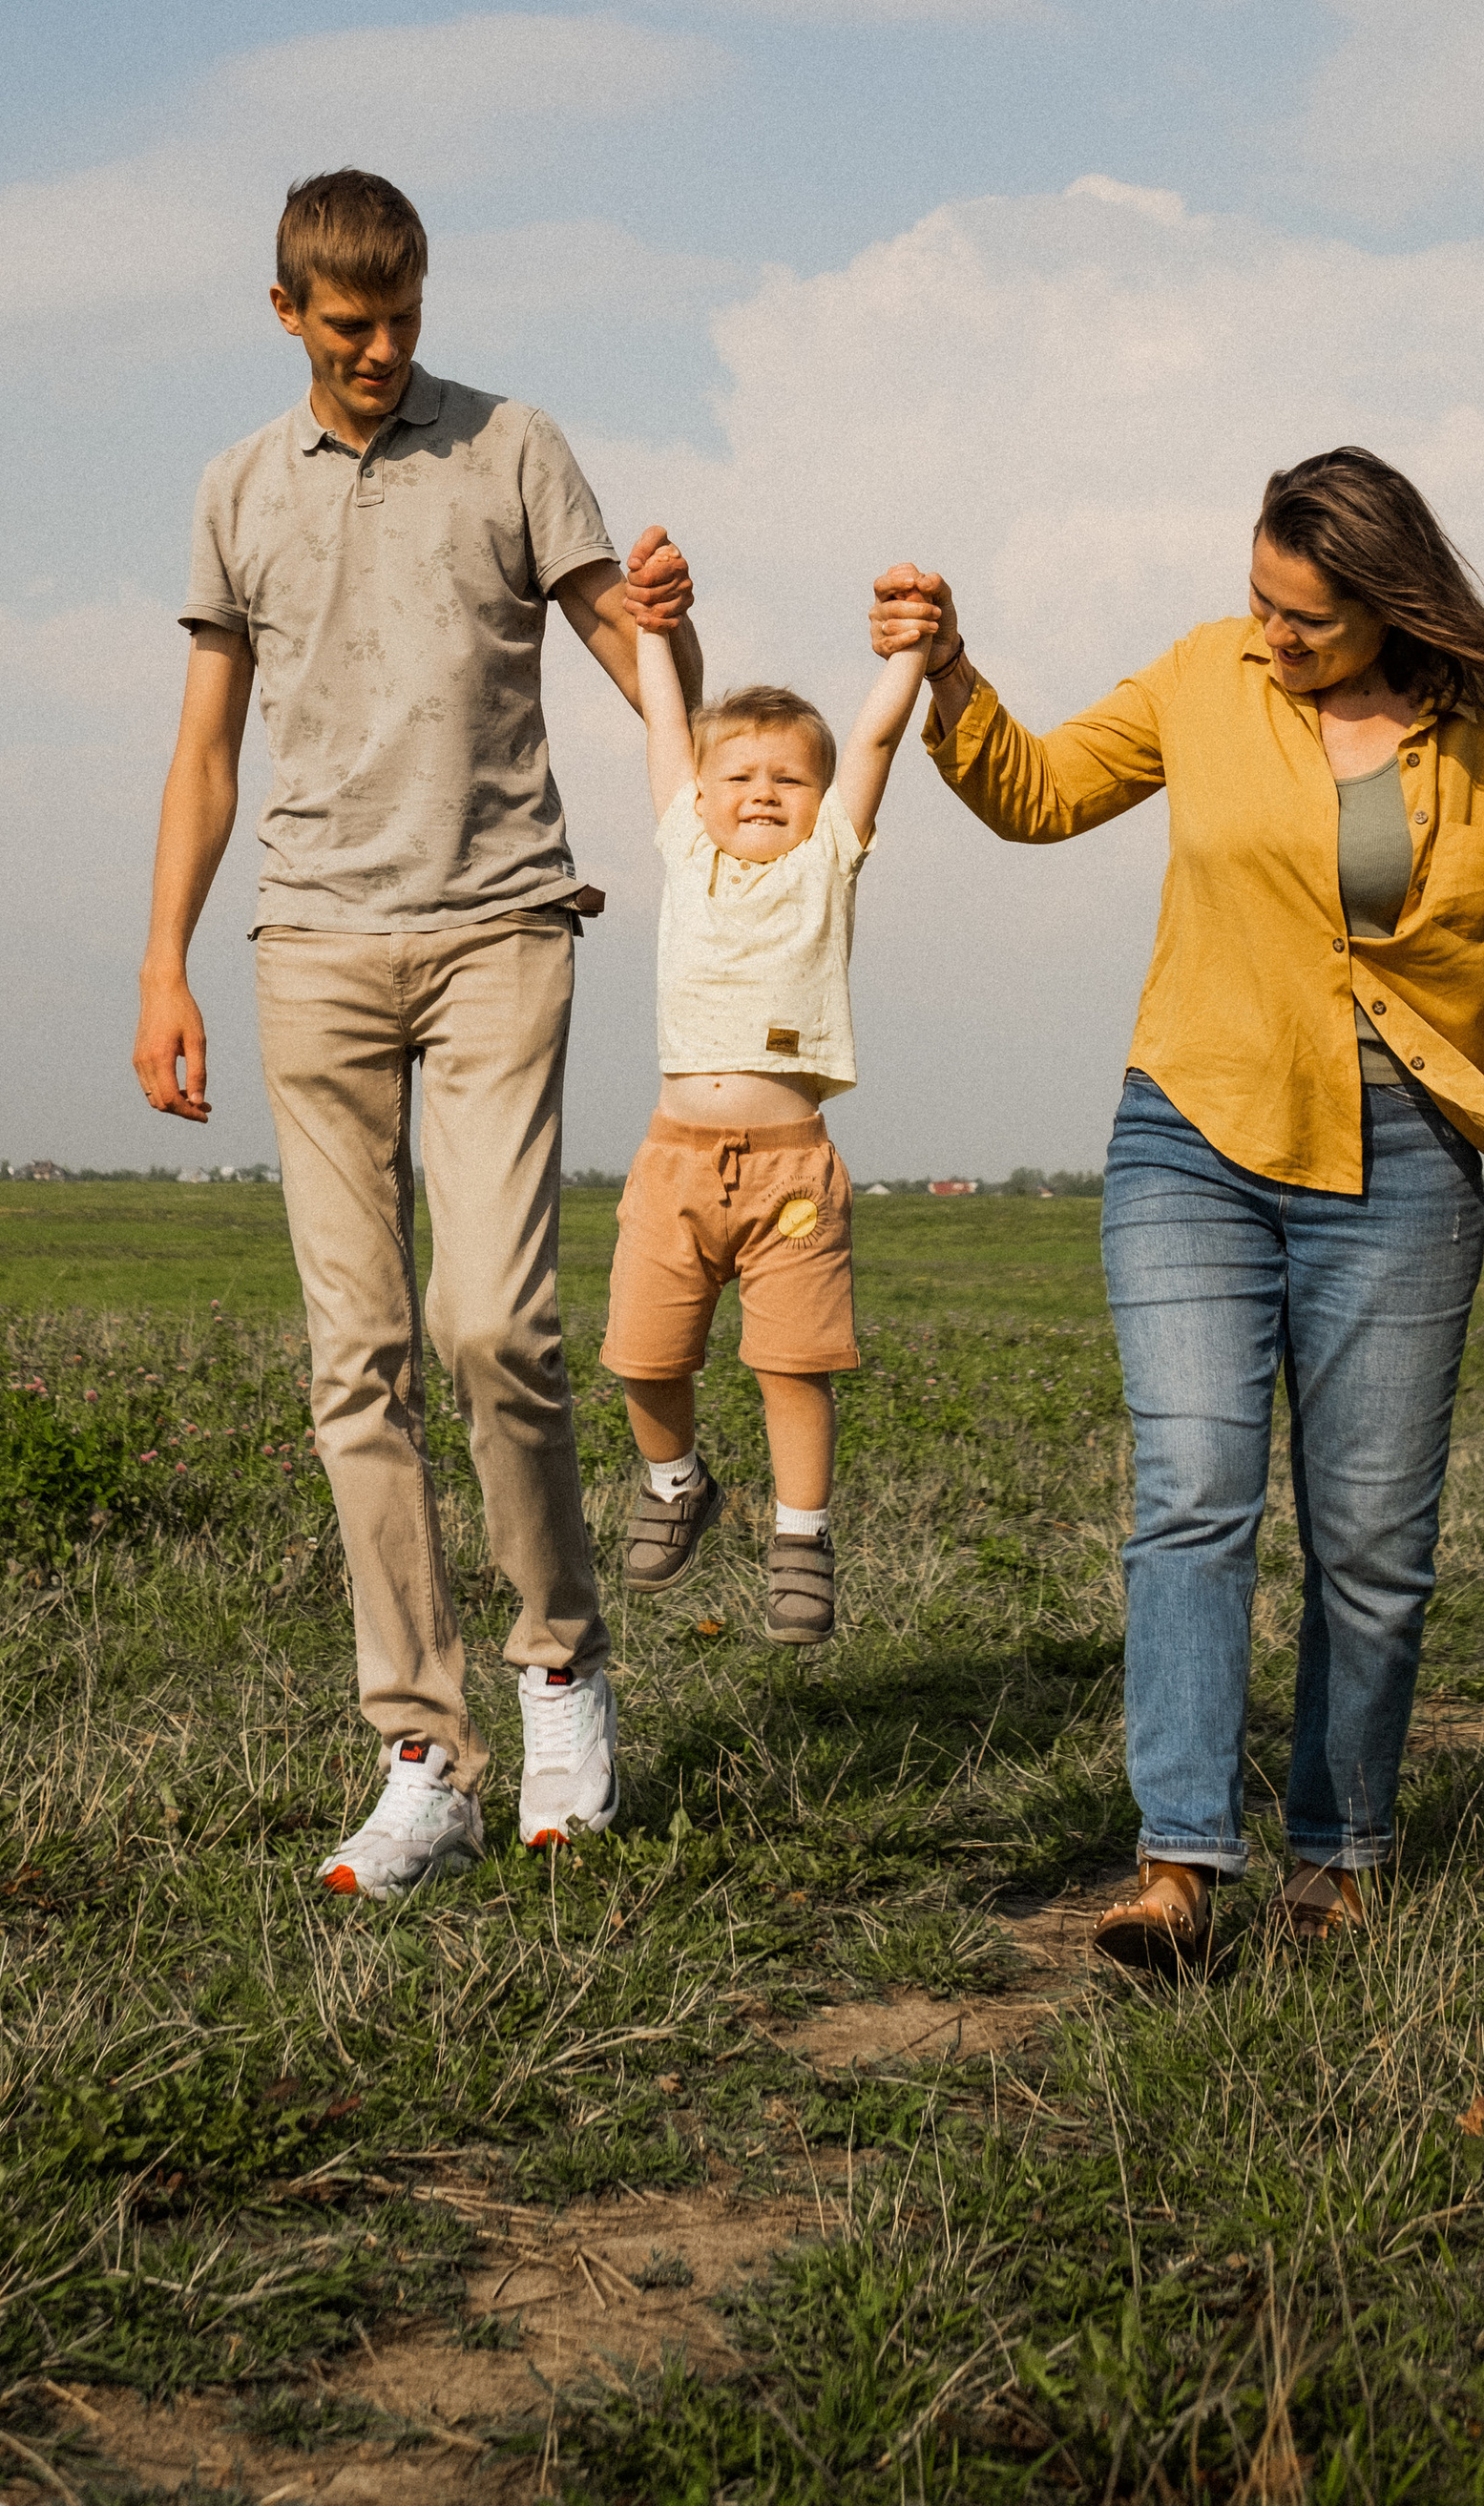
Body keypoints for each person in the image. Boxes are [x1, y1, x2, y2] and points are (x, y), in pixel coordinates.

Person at [871, 447, 1484, 1968]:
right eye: (1261, 603)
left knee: (1369, 1541)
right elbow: (1036, 792)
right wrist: (955, 672)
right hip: (1196, 1135)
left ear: (1393, 606)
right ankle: (1175, 1864)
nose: (1276, 638)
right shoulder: (1202, 679)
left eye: (1310, 621)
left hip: (1411, 1162)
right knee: (1196, 1493)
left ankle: (1338, 1857)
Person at [134, 167, 699, 1899]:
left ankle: (559, 1666)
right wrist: (164, 963)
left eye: (405, 317)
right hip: (312, 943)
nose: (382, 351)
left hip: (500, 929)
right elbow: (209, 748)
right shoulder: (237, 488)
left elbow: (632, 650)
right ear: (289, 311)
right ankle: (422, 1760)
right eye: (349, 323)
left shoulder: (516, 448)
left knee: (492, 1325)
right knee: (353, 1356)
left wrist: (678, 635)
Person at [605, 631, 930, 1644]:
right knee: (643, 1359)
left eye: (788, 778)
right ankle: (674, 1483)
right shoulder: (685, 851)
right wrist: (655, 632)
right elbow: (666, 724)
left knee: (793, 1365)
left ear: (820, 801)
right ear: (697, 797)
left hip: (790, 1171)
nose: (760, 791)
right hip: (674, 1165)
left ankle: (801, 1537)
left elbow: (875, 738)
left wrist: (912, 653)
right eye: (737, 774)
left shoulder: (826, 862)